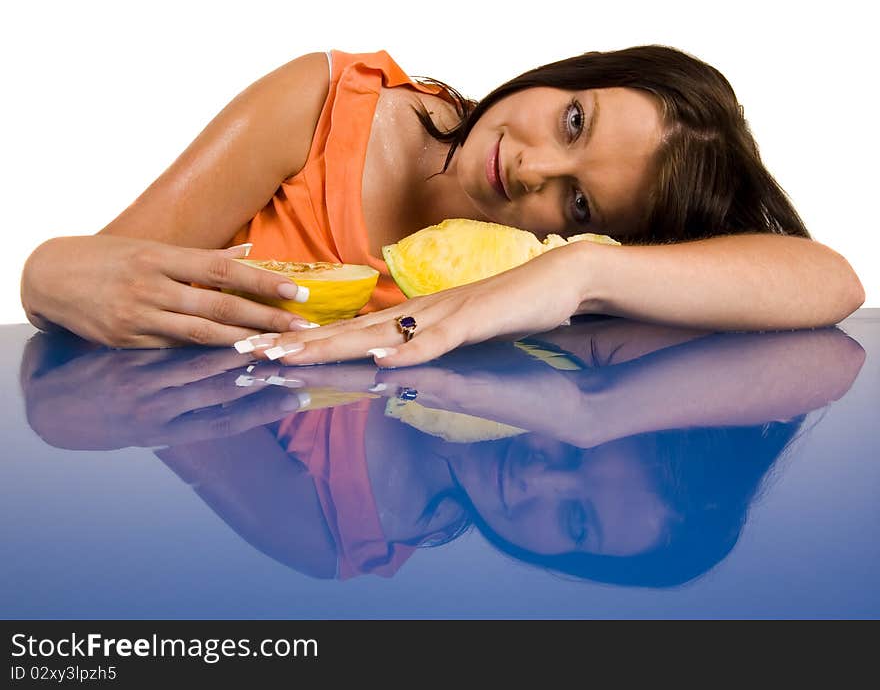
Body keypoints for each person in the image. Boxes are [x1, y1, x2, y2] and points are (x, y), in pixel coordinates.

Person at [20, 47, 865, 366]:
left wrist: (584, 270)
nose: (533, 167)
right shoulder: (320, 106)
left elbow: (829, 281)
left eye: (576, 204)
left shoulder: (544, 270)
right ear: (574, 72)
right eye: (574, 120)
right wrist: (40, 269)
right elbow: (99, 282)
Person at [20, 318, 865, 586]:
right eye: (582, 445)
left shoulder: (330, 533)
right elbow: (832, 349)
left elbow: (127, 398)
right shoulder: (529, 327)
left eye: (574, 517)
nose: (537, 474)